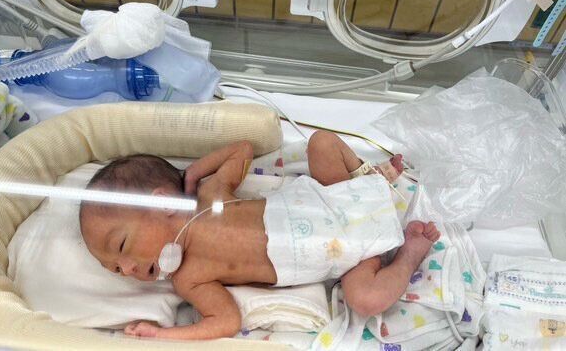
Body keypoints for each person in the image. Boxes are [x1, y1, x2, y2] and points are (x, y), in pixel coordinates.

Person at [79, 130, 440, 340]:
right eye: (115, 269)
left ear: (162, 203)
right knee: (365, 299)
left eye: (121, 247)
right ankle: (410, 253)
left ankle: (368, 179)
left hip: (331, 196)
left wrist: (191, 174)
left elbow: (242, 150)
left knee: (321, 142)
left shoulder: (209, 195)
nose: (126, 269)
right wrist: (162, 335)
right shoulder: (189, 279)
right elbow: (226, 322)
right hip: (348, 254)